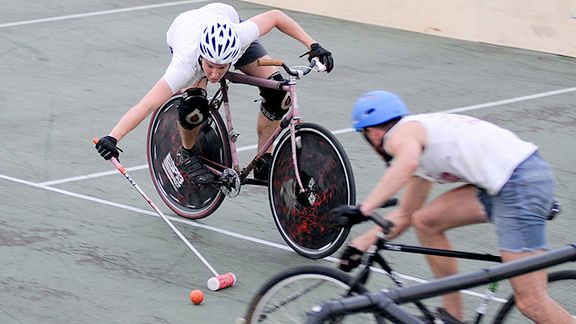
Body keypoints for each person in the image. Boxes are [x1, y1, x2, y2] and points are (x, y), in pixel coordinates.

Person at [332, 90, 574, 323]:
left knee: (531, 302)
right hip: (509, 183)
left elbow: (406, 162)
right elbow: (406, 215)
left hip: (519, 185)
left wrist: (364, 209)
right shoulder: (419, 141)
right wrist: (360, 245)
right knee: (426, 221)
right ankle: (453, 316)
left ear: (372, 133)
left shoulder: (402, 134)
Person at [95, 3, 333, 185]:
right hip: (183, 31)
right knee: (194, 108)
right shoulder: (185, 64)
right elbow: (146, 105)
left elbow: (276, 16)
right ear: (202, 58)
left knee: (278, 93)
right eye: (210, 67)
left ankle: (264, 160)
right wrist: (113, 137)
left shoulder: (240, 37)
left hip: (225, 23)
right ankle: (186, 154)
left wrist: (313, 45)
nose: (216, 74)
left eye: (222, 68)